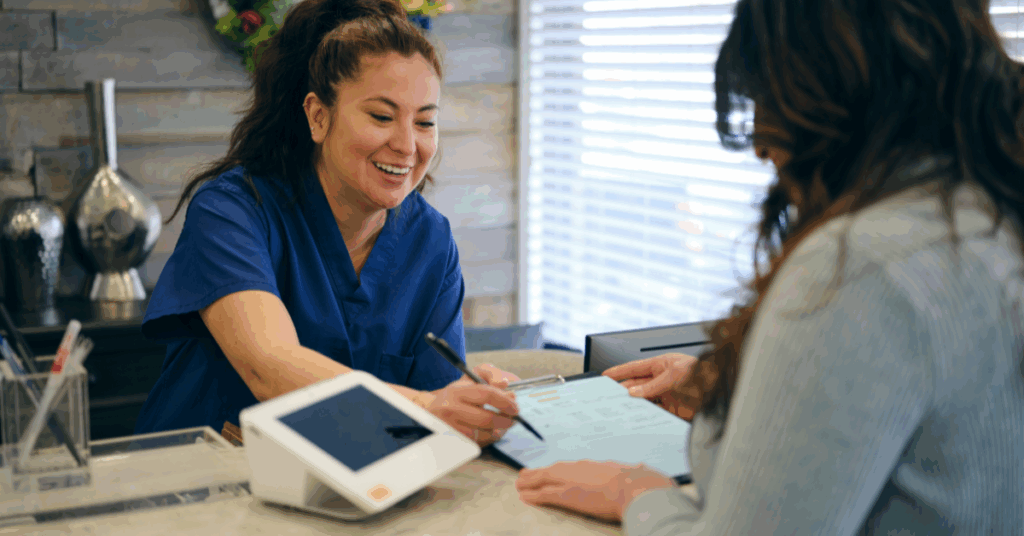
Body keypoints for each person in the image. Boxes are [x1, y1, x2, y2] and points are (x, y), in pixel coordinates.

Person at [515, 0, 1024, 533]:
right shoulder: (988, 214)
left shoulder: (858, 267)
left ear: (830, 89)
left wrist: (637, 494)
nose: (760, 146)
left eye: (768, 98)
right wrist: (730, 396)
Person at [134, 0, 521, 447]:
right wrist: (427, 407)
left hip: (351, 489)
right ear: (318, 116)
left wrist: (472, 404)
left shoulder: (429, 242)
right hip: (198, 486)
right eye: (381, 116)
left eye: (425, 122)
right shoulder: (233, 212)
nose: (406, 145)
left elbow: (437, 410)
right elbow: (270, 367)